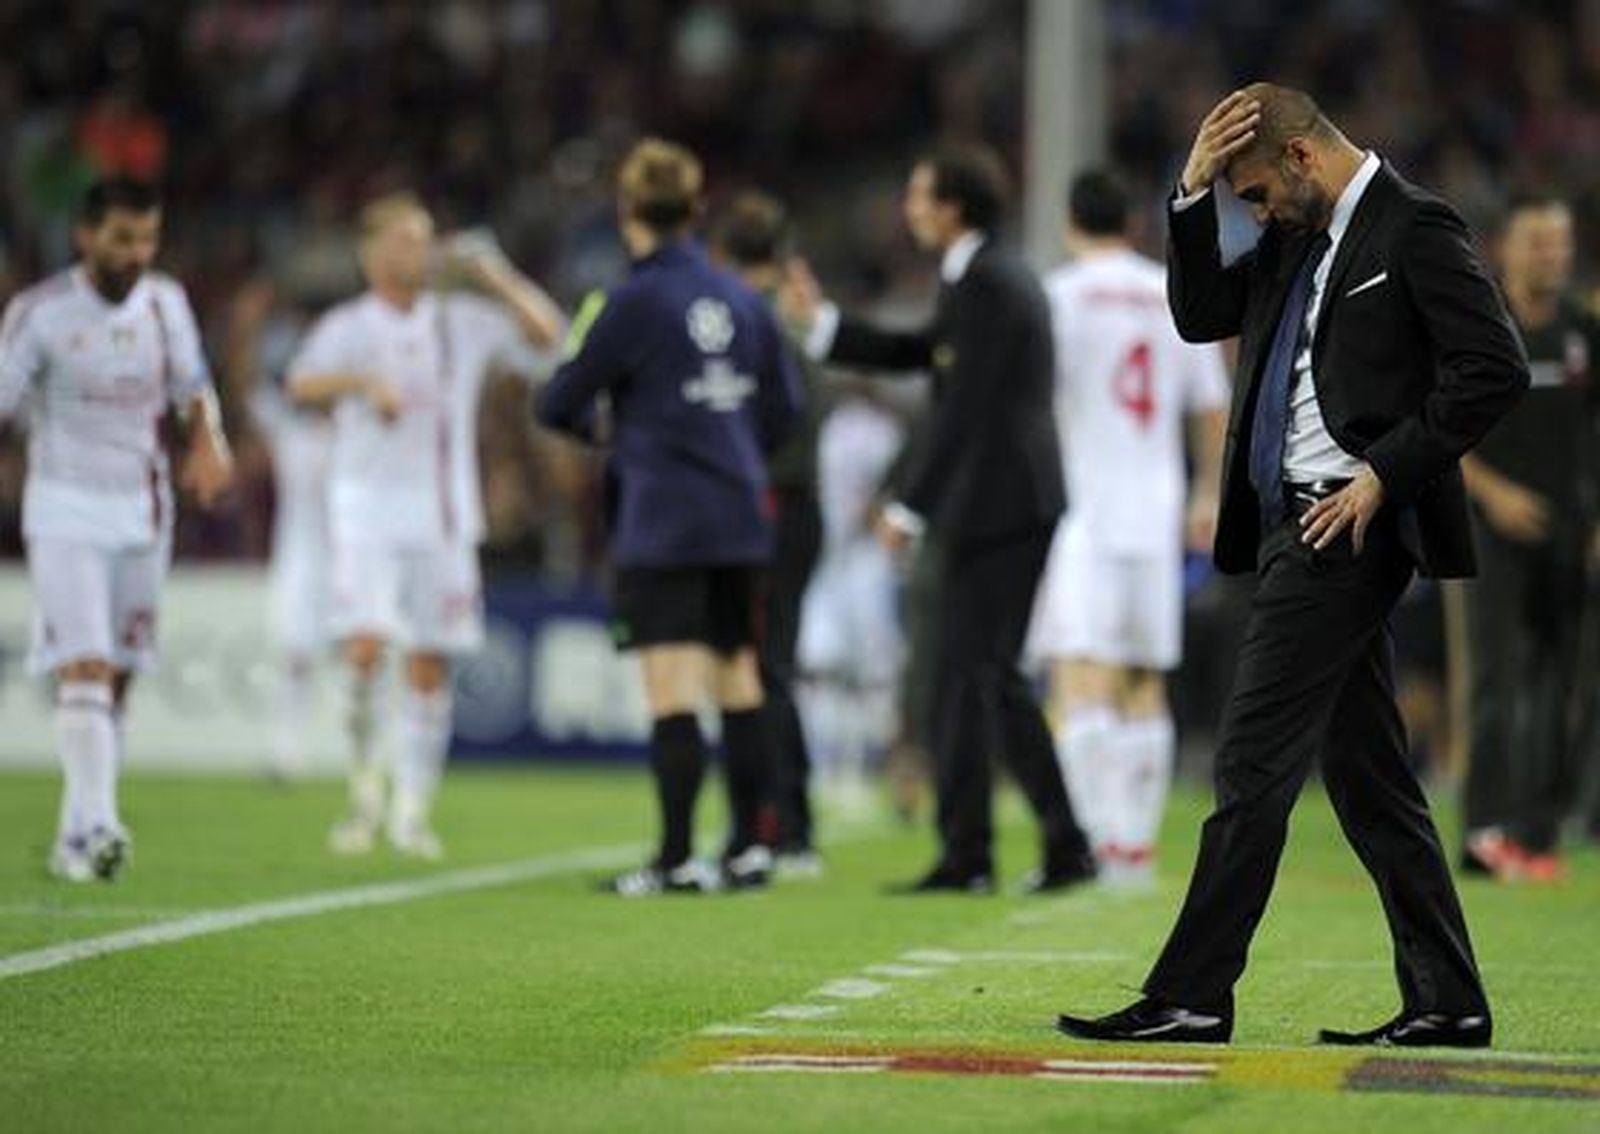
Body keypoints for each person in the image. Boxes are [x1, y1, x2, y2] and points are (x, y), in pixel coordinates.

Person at [1058, 84, 1527, 1047]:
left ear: (1304, 161)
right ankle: (1449, 998)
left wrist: (1382, 476)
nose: (1257, 212)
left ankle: (1192, 991)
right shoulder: (1292, 234)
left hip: (1345, 528)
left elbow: (1494, 366)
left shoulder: (1415, 227)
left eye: (1259, 192)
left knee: (1251, 762)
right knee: (1369, 780)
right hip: (1287, 523)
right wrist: (1191, 194)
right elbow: (1200, 317)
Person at [782, 142, 1096, 895]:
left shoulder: (988, 282)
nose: (908, 208)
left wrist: (906, 504)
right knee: (973, 677)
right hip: (1004, 501)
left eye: (919, 195)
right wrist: (827, 327)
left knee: (979, 675)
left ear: (954, 206)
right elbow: (925, 352)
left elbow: (965, 412)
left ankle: (1027, 847)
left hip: (1003, 504)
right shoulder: (981, 275)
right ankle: (993, 850)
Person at [536, 139, 801, 896]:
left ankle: (678, 857)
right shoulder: (745, 301)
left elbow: (557, 401)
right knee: (740, 675)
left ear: (628, 213)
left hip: (666, 516)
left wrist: (616, 432)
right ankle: (750, 849)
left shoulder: (625, 302)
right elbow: (786, 411)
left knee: (673, 684)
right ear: (695, 212)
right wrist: (733, 447)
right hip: (741, 515)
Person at [290, 192, 563, 859]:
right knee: (362, 650)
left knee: (428, 663)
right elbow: (300, 384)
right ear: (372, 252)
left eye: (424, 238)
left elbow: (550, 335)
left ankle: (411, 810)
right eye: (405, 240)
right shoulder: (350, 325)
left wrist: (491, 271)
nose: (420, 250)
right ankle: (363, 791)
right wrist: (359, 383)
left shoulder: (459, 320)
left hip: (443, 516)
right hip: (364, 510)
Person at [0, 178, 234, 881]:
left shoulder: (166, 303)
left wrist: (209, 440)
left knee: (119, 679)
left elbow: (192, 386)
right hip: (63, 507)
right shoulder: (39, 314)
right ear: (86, 236)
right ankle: (102, 825)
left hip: (143, 510)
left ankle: (76, 833)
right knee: (88, 665)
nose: (136, 252)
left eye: (146, 238)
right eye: (122, 237)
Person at [1025, 169, 1228, 886]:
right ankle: (1133, 846)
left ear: (1071, 222)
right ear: (1134, 224)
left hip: (1083, 509)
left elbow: (1031, 407)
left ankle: (1088, 840)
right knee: (1145, 676)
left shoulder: (1056, 298)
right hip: (1158, 508)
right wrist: (1205, 493)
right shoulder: (1165, 295)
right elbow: (1212, 408)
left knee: (1081, 670)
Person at [1458, 194, 1600, 882]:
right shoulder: (1480, 325)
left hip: (1566, 533)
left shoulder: (1581, 330)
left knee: (1555, 681)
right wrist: (1494, 493)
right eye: (1540, 243)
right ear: (1506, 249)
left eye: (1561, 242)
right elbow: (1439, 425)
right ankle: (1483, 829)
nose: (1554, 255)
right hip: (1489, 529)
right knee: (1494, 679)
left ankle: (1538, 832)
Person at [707, 192, 826, 875]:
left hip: (769, 506)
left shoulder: (746, 324)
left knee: (756, 668)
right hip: (799, 506)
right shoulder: (796, 318)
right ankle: (790, 820)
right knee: (772, 663)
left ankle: (772, 825)